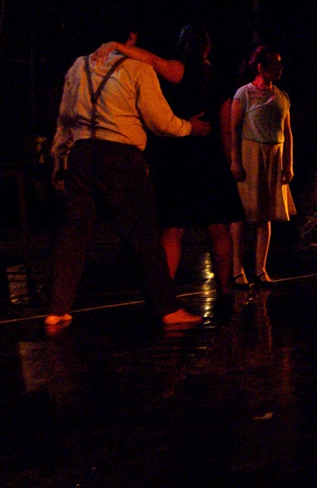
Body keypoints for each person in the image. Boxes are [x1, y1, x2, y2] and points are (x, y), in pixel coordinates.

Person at [47, 28, 207, 327]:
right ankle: (167, 308)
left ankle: (57, 308)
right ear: (131, 38)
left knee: (73, 234)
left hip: (82, 154)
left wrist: (59, 158)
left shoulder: (79, 66)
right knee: (142, 235)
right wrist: (189, 128)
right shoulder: (136, 68)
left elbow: (65, 118)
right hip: (120, 156)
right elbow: (159, 121)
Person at [96, 25, 246, 312]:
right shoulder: (218, 78)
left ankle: (165, 295)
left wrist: (118, 45)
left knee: (173, 229)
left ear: (181, 45)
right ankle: (225, 291)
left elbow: (152, 60)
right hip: (209, 157)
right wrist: (230, 160)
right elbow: (226, 125)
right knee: (218, 228)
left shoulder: (178, 70)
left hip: (179, 155)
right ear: (208, 47)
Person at [230, 46, 295, 286]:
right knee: (243, 214)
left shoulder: (282, 96)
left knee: (265, 215)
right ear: (260, 67)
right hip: (251, 153)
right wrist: (235, 159)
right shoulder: (244, 94)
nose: (279, 69)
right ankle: (237, 269)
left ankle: (260, 269)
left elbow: (287, 132)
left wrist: (288, 164)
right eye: (274, 64)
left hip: (273, 154)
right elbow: (234, 129)